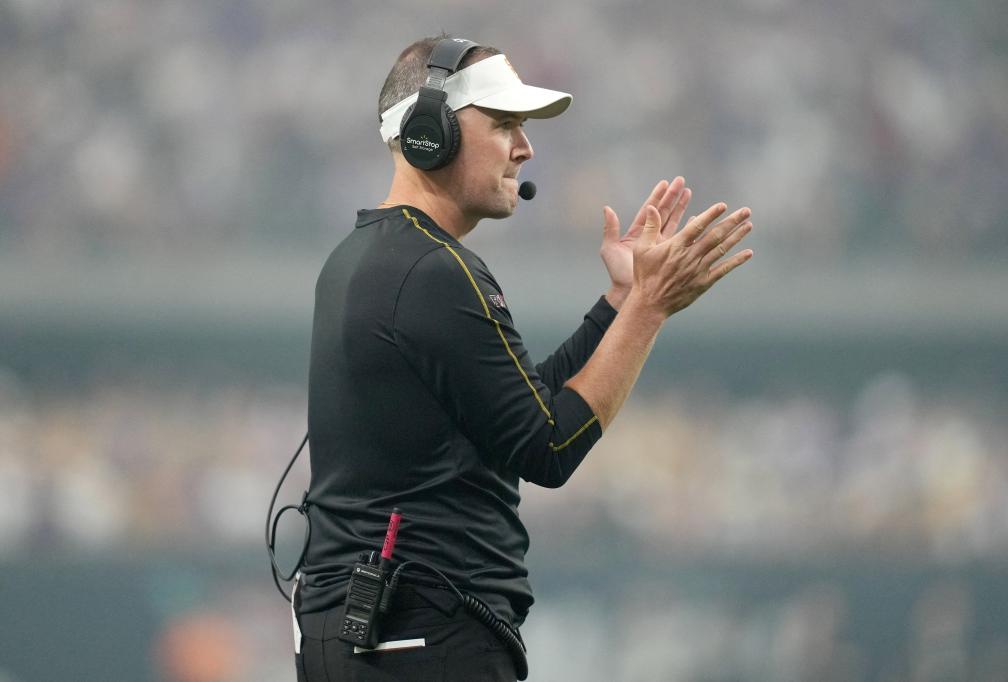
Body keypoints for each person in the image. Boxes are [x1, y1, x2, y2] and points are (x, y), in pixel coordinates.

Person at [293, 35, 753, 682]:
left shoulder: (372, 256)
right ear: (430, 131)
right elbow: (547, 447)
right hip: (423, 636)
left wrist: (621, 299)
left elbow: (519, 416)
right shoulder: (432, 270)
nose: (526, 147)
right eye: (505, 123)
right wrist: (649, 309)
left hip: (377, 632)